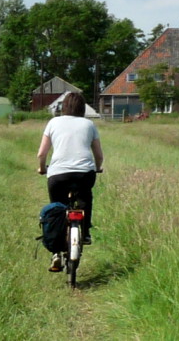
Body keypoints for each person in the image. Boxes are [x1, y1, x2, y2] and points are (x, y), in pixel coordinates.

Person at [37, 93, 103, 272]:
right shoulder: (89, 124)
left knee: (57, 208)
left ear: (63, 107)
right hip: (84, 174)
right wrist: (98, 168)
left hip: (57, 175)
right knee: (85, 200)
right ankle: (85, 233)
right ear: (82, 108)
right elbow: (98, 155)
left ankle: (56, 253)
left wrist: (42, 168)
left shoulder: (53, 123)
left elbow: (42, 154)